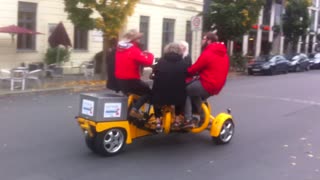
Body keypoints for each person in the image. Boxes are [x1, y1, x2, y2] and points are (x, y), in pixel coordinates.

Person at [183, 32, 229, 128]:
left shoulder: (209, 52)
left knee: (184, 91)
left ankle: (188, 119)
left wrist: (185, 71)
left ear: (209, 41)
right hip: (217, 85)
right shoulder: (223, 53)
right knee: (194, 94)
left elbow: (195, 68)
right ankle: (204, 119)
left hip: (207, 83)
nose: (202, 41)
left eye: (204, 39)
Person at [115, 29, 154, 119]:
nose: (139, 41)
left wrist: (140, 54)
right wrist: (149, 54)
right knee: (148, 92)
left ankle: (131, 113)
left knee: (132, 95)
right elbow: (148, 61)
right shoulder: (133, 49)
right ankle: (135, 110)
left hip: (120, 79)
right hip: (131, 79)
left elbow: (131, 58)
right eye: (138, 39)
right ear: (133, 40)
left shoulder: (120, 48)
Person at [151, 42, 189, 132]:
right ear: (179, 51)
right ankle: (176, 120)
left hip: (160, 94)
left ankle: (158, 121)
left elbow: (155, 72)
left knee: (155, 96)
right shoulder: (183, 63)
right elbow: (186, 75)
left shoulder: (161, 61)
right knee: (182, 95)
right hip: (177, 94)